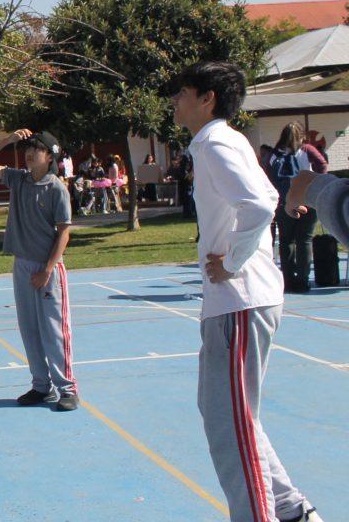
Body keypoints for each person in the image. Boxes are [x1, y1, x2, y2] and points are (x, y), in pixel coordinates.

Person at [170, 61, 322, 522]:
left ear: (207, 98)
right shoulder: (215, 142)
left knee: (228, 424)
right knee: (228, 415)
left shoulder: (216, 142)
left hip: (240, 298)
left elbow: (261, 203)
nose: (175, 100)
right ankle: (291, 509)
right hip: (235, 302)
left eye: (182, 92)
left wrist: (231, 261)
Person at [0, 129, 78, 411]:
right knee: (29, 328)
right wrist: (7, 141)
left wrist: (47, 269)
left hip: (48, 268)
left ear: (50, 156)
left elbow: (64, 234)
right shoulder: (17, 179)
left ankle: (66, 388)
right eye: (28, 148)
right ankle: (41, 386)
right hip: (22, 264)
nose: (30, 153)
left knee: (53, 329)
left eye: (37, 149)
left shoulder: (56, 188)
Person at [268, 122, 328, 292]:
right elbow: (322, 163)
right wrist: (318, 180)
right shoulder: (307, 150)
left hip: (284, 201)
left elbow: (268, 175)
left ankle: (287, 278)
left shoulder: (275, 154)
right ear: (301, 135)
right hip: (308, 198)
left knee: (286, 241)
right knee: (305, 239)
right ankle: (303, 279)